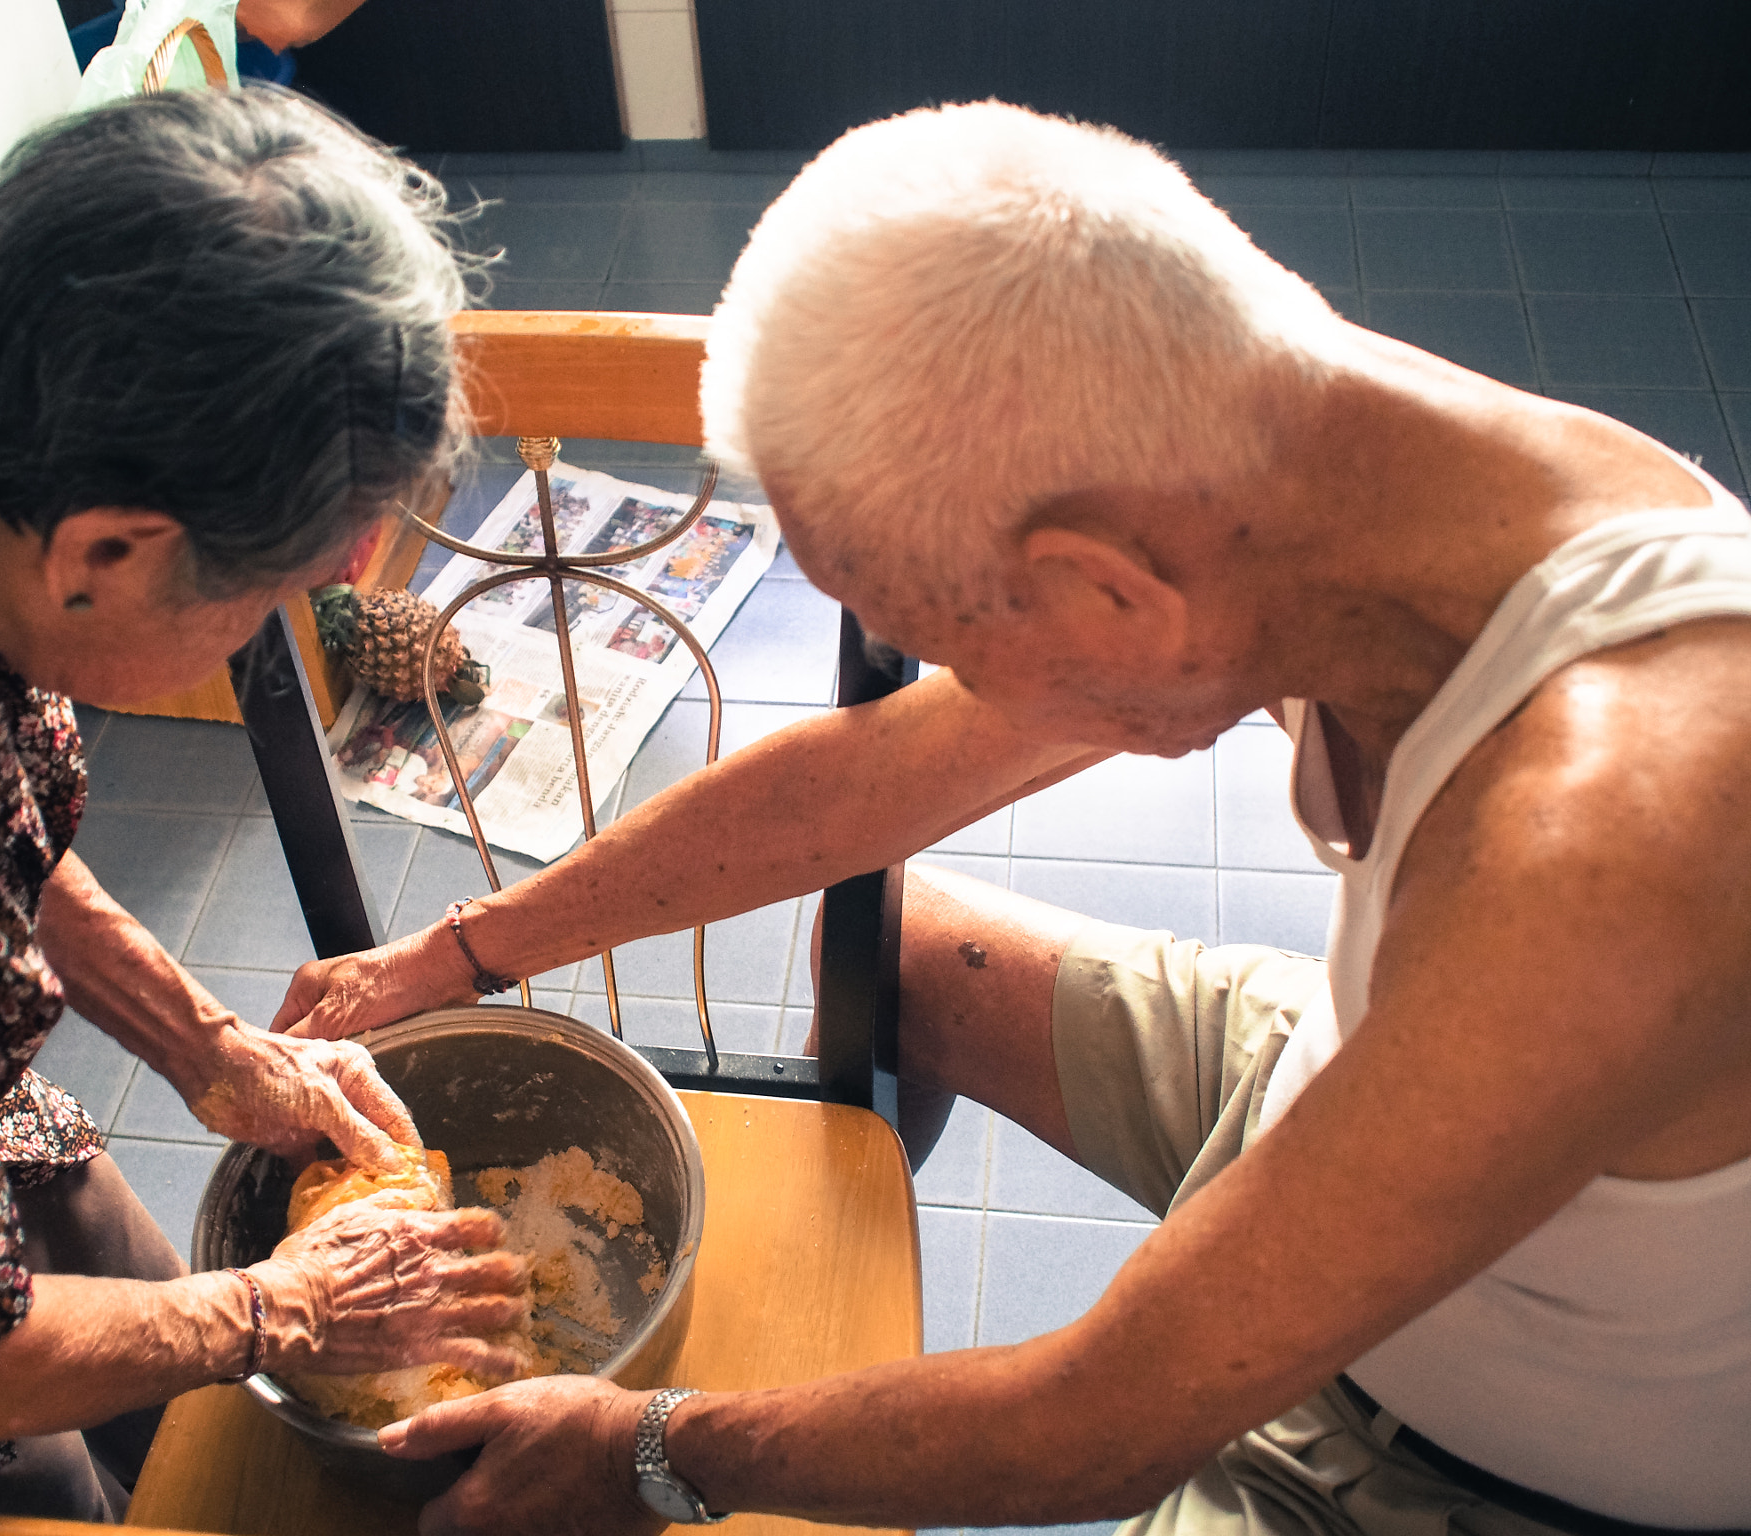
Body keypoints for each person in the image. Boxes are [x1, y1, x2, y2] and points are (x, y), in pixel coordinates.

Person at [269, 102, 1751, 1534]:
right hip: (1343, 1062)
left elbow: (1098, 1424)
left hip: (1473, 1465)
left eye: (966, 645)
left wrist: (651, 1448)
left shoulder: (1602, 849)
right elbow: (866, 783)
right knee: (918, 957)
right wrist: (461, 953)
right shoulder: (1321, 468)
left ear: (1113, 590)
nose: (970, 695)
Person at [0, 87, 526, 1520]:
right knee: (56, 1484)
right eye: (277, 597)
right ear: (108, 549)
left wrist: (209, 1045)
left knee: (154, 1348)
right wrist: (273, 1314)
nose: (282, 625)